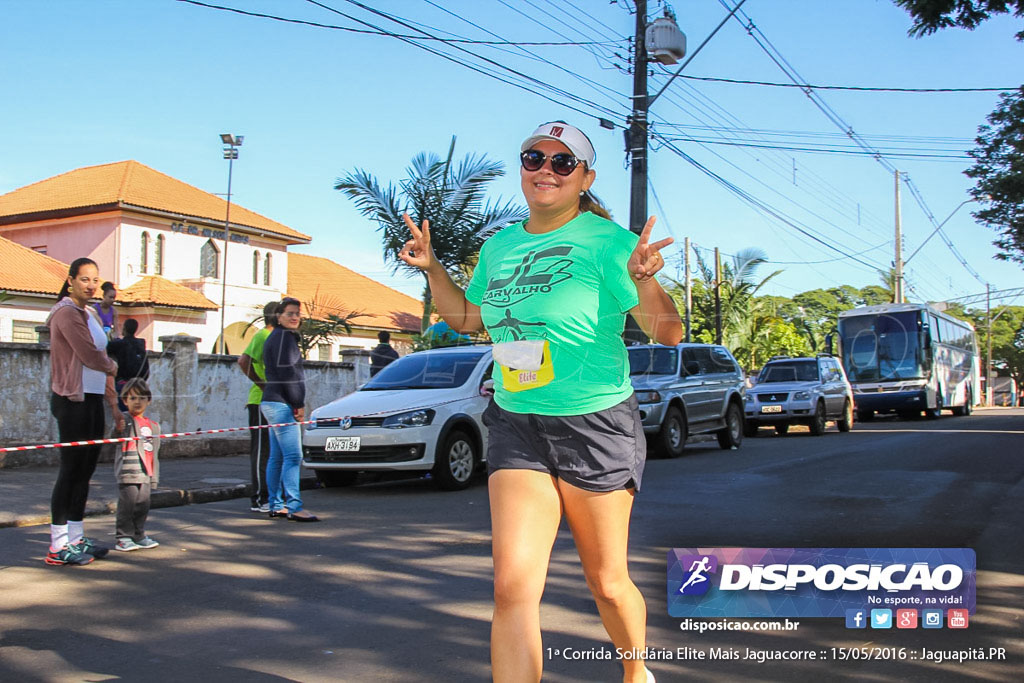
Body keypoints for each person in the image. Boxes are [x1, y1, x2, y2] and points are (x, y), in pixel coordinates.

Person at [399, 121, 681, 683]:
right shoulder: (501, 245)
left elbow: (668, 332)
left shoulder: (611, 243)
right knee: (512, 587)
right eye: (534, 158)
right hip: (516, 418)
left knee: (606, 581)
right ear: (522, 168)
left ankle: (636, 670)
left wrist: (647, 282)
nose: (545, 170)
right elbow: (467, 320)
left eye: (562, 162)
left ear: (585, 178)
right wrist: (433, 269)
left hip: (594, 421)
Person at [45, 257, 122, 566]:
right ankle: (57, 545)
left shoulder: (89, 312)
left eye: (95, 280)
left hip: (92, 399)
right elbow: (90, 354)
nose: (90, 285)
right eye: (84, 279)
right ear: (71, 280)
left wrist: (112, 401)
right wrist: (114, 366)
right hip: (71, 400)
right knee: (70, 471)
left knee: (86, 472)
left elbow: (99, 355)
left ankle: (76, 538)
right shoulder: (65, 313)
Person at [261, 297, 319, 522]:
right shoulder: (285, 338)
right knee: (294, 456)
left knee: (277, 457)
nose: (295, 317)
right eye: (290, 314)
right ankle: (294, 506)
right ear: (278, 316)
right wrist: (298, 404)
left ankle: (276, 504)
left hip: (271, 401)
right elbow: (289, 375)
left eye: (297, 314)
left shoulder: (274, 337)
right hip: (283, 404)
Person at [238, 301, 277, 513]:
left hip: (275, 401)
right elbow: (243, 361)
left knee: (272, 451)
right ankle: (260, 498)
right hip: (260, 401)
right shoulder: (263, 336)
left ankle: (271, 495)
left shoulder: (276, 338)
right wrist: (261, 383)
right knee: (262, 451)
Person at [113, 378, 161, 552]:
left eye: (141, 398)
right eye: (132, 398)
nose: (137, 402)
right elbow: (116, 434)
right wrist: (118, 424)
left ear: (148, 400)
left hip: (146, 472)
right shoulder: (124, 420)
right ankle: (123, 536)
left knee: (142, 504)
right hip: (129, 472)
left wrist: (154, 476)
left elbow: (154, 453)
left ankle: (138, 534)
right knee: (128, 504)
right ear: (125, 401)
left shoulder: (153, 426)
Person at [106, 318, 150, 410]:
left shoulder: (120, 344)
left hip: (124, 384)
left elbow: (104, 347)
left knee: (125, 414)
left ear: (124, 329)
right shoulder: (141, 344)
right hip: (140, 385)